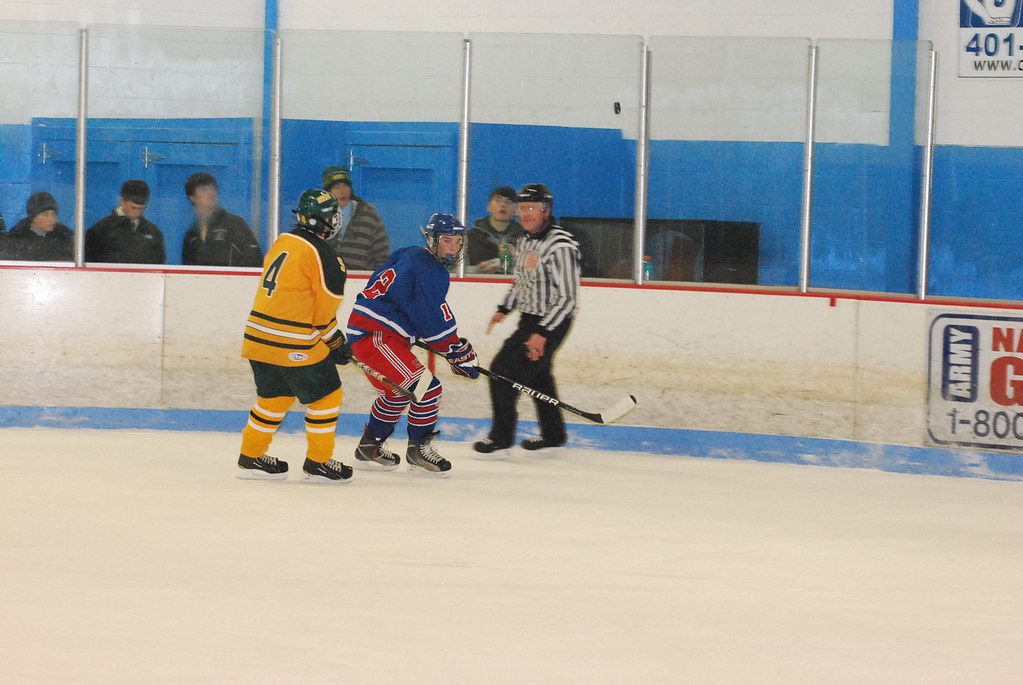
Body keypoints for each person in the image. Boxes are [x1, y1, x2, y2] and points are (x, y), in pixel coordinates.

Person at [345, 212, 480, 478]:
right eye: (447, 240)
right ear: (432, 240)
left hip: (376, 333)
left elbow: (405, 302)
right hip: (375, 335)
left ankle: (369, 446)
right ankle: (418, 450)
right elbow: (432, 318)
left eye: (457, 241)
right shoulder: (429, 269)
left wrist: (419, 335)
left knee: (398, 392)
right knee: (427, 388)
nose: (453, 247)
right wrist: (456, 351)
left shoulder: (410, 254)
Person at [236, 188, 354, 483]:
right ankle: (319, 463)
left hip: (256, 338)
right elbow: (322, 316)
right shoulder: (327, 256)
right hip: (291, 341)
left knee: (275, 396)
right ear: (325, 222)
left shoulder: (283, 240)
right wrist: (336, 342)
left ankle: (250, 456)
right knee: (327, 396)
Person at [473, 183, 581, 459]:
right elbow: (522, 282)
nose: (525, 213)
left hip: (552, 322)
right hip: (530, 320)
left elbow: (568, 299)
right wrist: (504, 308)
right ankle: (554, 434)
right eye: (522, 208)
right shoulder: (524, 239)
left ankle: (501, 437)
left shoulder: (561, 245)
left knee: (501, 373)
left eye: (532, 208)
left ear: (546, 211)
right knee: (538, 376)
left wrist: (542, 333)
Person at [182, 172, 263, 267]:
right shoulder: (192, 235)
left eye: (213, 189)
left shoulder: (234, 224)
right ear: (192, 197)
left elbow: (255, 261)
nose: (211, 193)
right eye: (204, 190)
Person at [321, 165, 390, 271]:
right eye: (336, 187)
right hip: (326, 280)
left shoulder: (369, 215)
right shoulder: (319, 216)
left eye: (345, 185)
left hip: (362, 281)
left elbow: (383, 257)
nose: (342, 191)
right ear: (327, 192)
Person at [85, 179, 165, 264]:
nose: (137, 213)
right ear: (121, 201)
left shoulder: (153, 231)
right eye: (133, 208)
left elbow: (158, 262)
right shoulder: (101, 230)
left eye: (142, 209)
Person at [467, 186, 523, 273]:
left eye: (508, 201)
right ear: (489, 207)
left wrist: (517, 257)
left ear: (517, 209)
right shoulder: (471, 237)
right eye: (498, 200)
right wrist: (478, 269)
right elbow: (457, 270)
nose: (503, 205)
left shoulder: (524, 237)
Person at [3, 192, 73, 262]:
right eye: (45, 214)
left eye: (54, 214)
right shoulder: (17, 237)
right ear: (33, 217)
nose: (52, 219)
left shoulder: (64, 236)